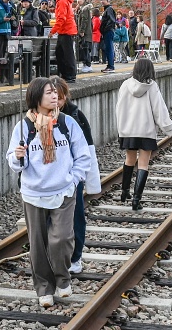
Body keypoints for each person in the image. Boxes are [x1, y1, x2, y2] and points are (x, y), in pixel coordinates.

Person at [6, 77, 93, 308]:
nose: (55, 96)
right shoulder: (24, 126)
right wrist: (18, 156)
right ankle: (44, 288)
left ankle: (63, 279)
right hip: (34, 193)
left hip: (63, 191)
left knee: (61, 238)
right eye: (49, 93)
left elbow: (83, 155)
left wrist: (73, 180)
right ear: (36, 97)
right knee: (37, 243)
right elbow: (14, 163)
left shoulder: (66, 123)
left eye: (55, 92)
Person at [115, 58, 172, 210]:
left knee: (129, 159)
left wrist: (121, 129)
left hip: (128, 130)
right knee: (143, 163)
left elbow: (119, 108)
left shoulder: (125, 84)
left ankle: (124, 192)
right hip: (145, 131)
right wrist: (170, 129)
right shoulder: (151, 86)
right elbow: (159, 110)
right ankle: (136, 200)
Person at [52, 77, 101, 275]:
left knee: (76, 215)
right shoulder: (38, 117)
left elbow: (88, 149)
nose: (57, 103)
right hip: (50, 177)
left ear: (66, 97)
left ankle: (75, 257)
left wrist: (88, 179)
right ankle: (54, 257)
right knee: (51, 219)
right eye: (53, 97)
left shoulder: (76, 116)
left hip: (73, 176)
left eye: (60, 98)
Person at [47, 0, 77, 82]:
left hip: (66, 31)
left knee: (66, 54)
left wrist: (52, 31)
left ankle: (69, 75)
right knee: (61, 53)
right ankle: (66, 74)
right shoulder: (64, 0)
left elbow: (61, 18)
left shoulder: (61, 2)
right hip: (66, 30)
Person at [99, 0, 118, 72]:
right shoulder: (107, 9)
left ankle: (111, 66)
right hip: (107, 31)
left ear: (107, 0)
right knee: (108, 48)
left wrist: (105, 29)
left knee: (109, 48)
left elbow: (111, 20)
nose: (101, 1)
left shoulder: (109, 9)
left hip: (108, 31)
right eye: (101, 0)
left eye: (103, 0)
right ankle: (110, 65)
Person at [74, 0, 93, 73]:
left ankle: (87, 65)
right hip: (85, 32)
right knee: (84, 48)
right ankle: (86, 64)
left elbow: (84, 20)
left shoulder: (85, 9)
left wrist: (82, 31)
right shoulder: (82, 8)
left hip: (85, 33)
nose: (78, 0)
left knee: (85, 48)